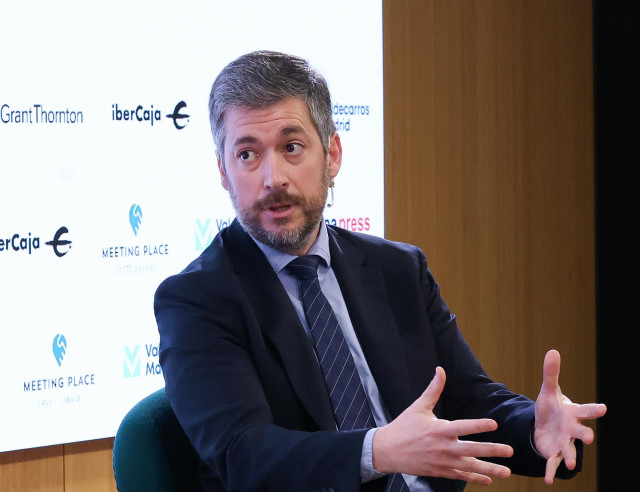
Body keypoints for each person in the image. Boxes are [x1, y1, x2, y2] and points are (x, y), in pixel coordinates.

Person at [154, 51, 606, 492]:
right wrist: (377, 451)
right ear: (223, 172)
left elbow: (467, 398)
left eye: (292, 148)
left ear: (332, 154)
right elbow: (243, 456)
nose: (273, 178)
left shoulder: (398, 269)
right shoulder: (197, 299)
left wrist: (532, 429)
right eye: (247, 155)